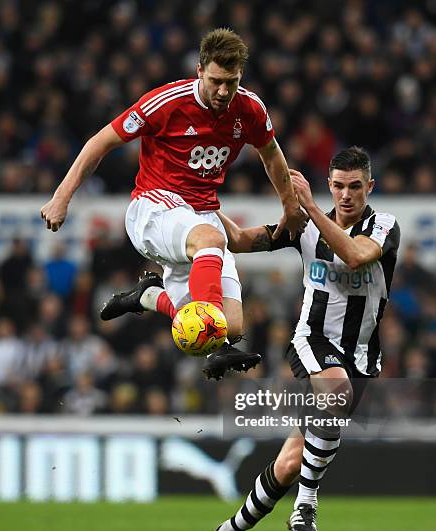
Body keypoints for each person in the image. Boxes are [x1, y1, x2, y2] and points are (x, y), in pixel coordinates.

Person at [181, 146, 401, 531]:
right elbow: (242, 241)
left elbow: (356, 255)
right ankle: (307, 502)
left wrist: (310, 209)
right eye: (338, 186)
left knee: (288, 463)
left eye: (355, 186)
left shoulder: (383, 226)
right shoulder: (304, 225)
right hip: (311, 340)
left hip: (361, 356)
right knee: (334, 390)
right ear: (330, 185)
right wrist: (206, 210)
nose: (346, 195)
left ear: (369, 187)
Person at [40, 28, 305, 379]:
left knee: (234, 325)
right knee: (211, 256)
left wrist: (291, 211)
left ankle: (149, 296)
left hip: (201, 213)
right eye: (216, 81)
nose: (224, 91)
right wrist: (61, 197)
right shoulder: (166, 102)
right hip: (153, 208)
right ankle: (216, 340)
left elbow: (271, 156)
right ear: (199, 71)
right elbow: (100, 143)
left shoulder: (250, 109)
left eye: (232, 82)